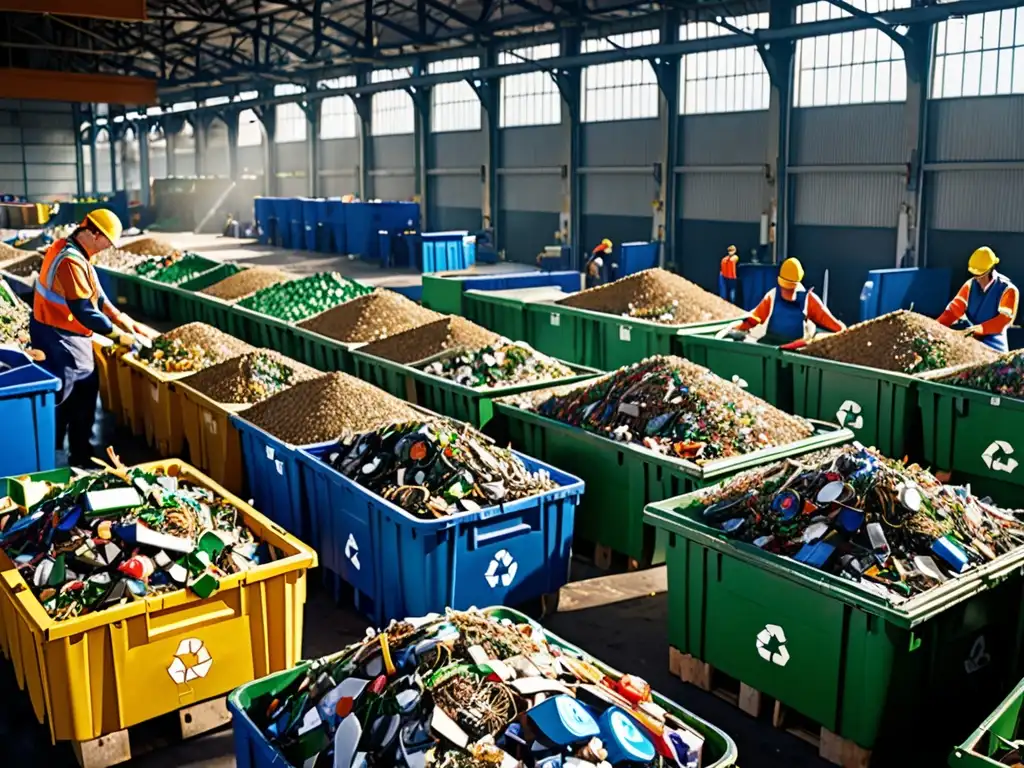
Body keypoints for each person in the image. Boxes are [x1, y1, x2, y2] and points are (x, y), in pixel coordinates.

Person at [31, 210, 157, 466]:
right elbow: (85, 310)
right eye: (107, 242)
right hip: (59, 336)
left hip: (62, 333)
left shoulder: (73, 251)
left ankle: (76, 451)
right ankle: (61, 457)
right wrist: (118, 336)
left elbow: (97, 296)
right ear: (93, 233)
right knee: (68, 397)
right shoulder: (70, 261)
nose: (107, 247)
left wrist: (124, 319)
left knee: (84, 391)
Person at [721, 257, 845, 344]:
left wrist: (846, 332)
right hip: (771, 349)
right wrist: (735, 328)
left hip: (796, 352)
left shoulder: (809, 300)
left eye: (789, 289)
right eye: (785, 289)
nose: (787, 293)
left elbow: (830, 322)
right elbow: (754, 319)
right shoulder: (772, 296)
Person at [937, 246, 1018, 352]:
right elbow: (953, 311)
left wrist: (979, 329)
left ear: (990, 270)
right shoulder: (970, 286)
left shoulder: (1007, 289)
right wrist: (935, 327)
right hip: (972, 344)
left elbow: (1003, 320)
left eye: (981, 275)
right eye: (975, 275)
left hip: (995, 346)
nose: (978, 279)